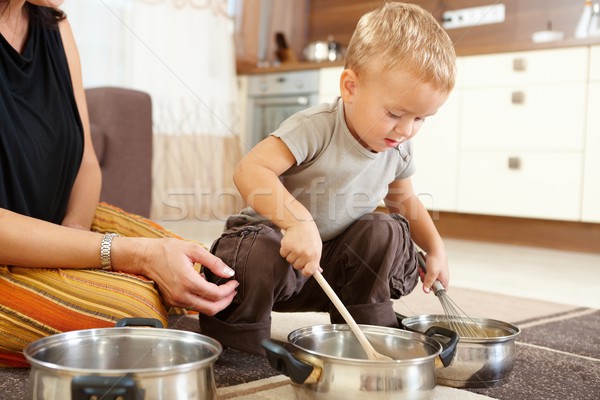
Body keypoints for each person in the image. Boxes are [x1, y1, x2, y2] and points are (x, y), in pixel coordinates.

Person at [199, 2, 456, 355]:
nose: (406, 129)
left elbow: (405, 202)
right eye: (395, 113)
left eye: (421, 119)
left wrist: (436, 248)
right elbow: (250, 170)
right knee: (254, 250)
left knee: (386, 229)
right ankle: (241, 340)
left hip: (330, 273)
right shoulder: (316, 127)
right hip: (272, 269)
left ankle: (366, 323)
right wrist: (297, 221)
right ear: (350, 86)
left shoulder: (398, 147)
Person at [0, 0, 238, 367]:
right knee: (134, 315)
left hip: (56, 223)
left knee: (198, 266)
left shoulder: (55, 26)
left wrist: (76, 235)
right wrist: (129, 254)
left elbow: (86, 160)